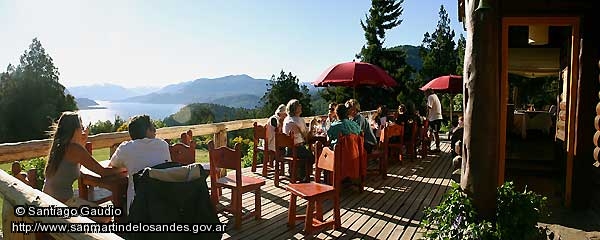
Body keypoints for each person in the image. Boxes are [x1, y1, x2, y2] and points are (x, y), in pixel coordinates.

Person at [42, 112, 123, 220]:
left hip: (47, 200)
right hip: (62, 204)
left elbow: (74, 164)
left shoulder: (58, 147)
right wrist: (123, 168)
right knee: (105, 216)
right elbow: (102, 171)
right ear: (76, 129)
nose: (83, 129)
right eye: (81, 126)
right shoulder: (74, 149)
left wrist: (82, 143)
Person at [109, 115, 172, 214]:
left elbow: (113, 164)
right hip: (163, 204)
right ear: (147, 131)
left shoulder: (126, 148)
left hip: (138, 209)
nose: (155, 130)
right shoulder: (163, 145)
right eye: (152, 127)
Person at [282, 99, 315, 183]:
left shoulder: (286, 119)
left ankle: (298, 173)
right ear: (295, 109)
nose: (301, 106)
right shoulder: (298, 120)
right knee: (312, 157)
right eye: (299, 105)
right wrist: (311, 125)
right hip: (297, 150)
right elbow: (306, 136)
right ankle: (304, 176)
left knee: (305, 152)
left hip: (287, 149)